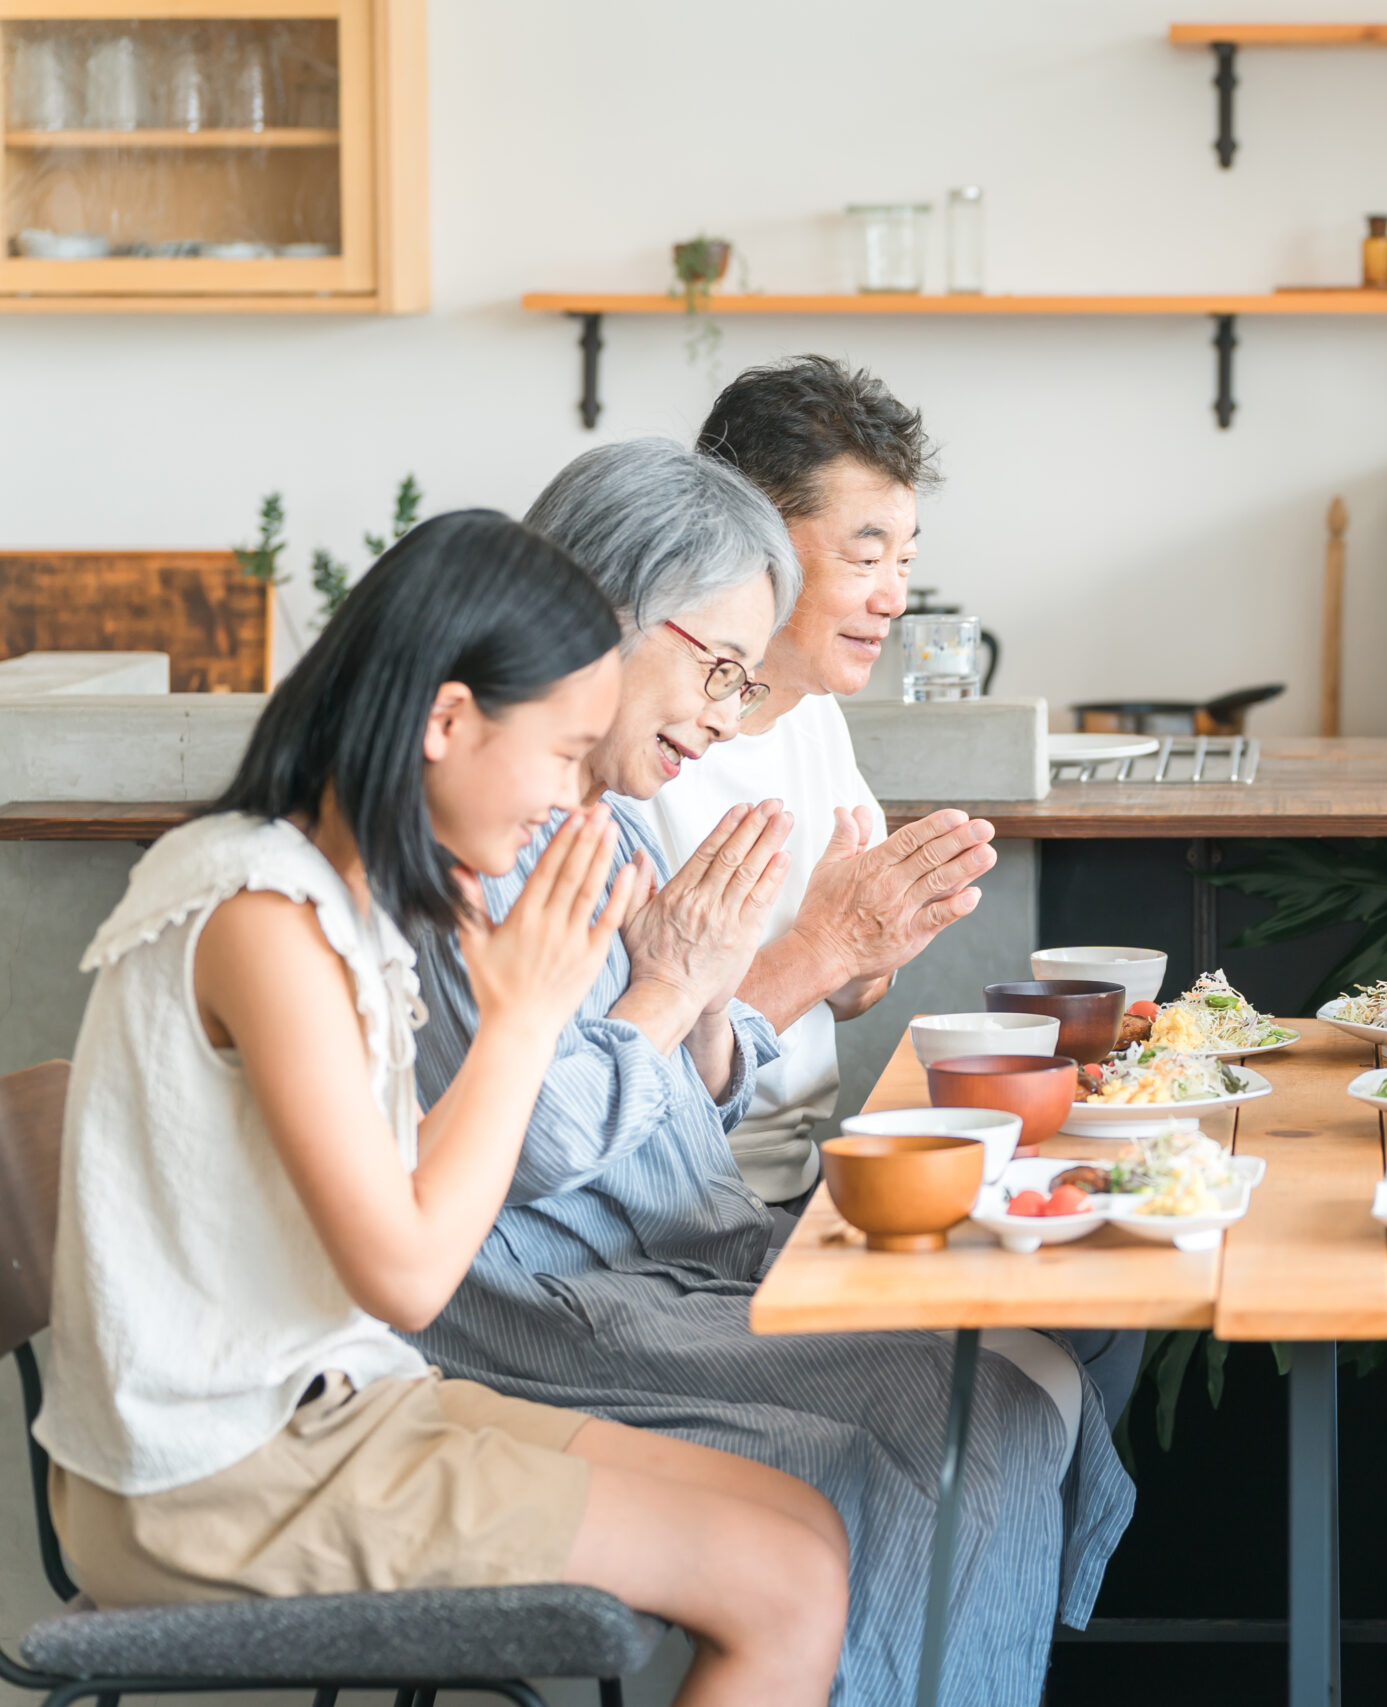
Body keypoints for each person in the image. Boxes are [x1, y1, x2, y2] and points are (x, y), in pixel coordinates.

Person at [37, 512, 847, 1707]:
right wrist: (525, 1016)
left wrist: (550, 1001)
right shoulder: (259, 914)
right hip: (211, 1479)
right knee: (780, 1582)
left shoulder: (346, 893)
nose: (576, 797)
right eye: (565, 752)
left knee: (801, 1522)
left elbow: (407, 1191)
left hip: (342, 1408)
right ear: (448, 720)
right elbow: (410, 1277)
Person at [407, 440, 1132, 1707]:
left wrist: (712, 1004)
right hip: (557, 1299)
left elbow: (657, 1080)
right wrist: (687, 987)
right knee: (988, 1412)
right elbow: (537, 1144)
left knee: (1070, 1305)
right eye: (719, 671)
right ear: (602, 612)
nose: (727, 717)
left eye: (746, 682)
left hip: (671, 1240)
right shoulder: (479, 824)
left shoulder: (608, 813)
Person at [684, 354, 1144, 1420]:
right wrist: (826, 948)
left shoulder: (808, 715)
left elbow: (844, 992)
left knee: (1109, 1301)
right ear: (746, 534)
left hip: (807, 1173)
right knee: (1048, 1350)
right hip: (702, 1211)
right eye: (865, 554)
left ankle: (1023, 1586)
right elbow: (625, 1073)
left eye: (907, 555)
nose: (894, 596)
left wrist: (868, 950)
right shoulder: (644, 750)